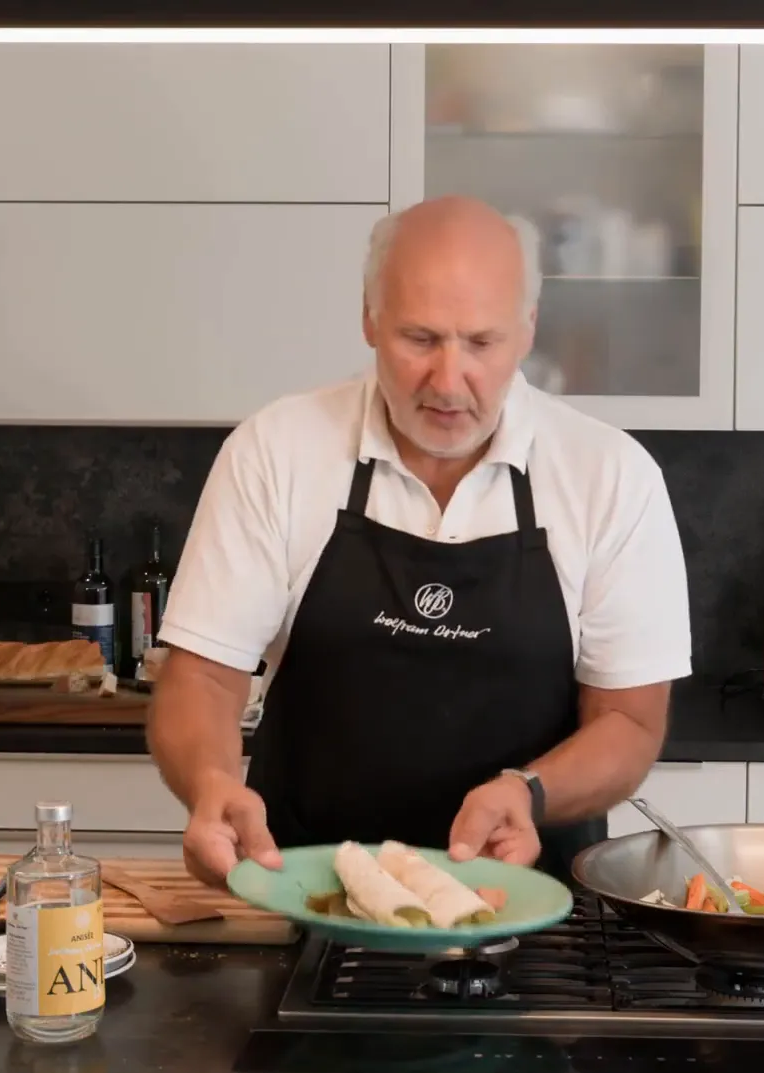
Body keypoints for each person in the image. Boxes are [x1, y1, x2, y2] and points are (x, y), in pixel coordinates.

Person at [146, 195, 691, 888]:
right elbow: (204, 676)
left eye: (481, 343)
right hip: (306, 896)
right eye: (421, 339)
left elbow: (630, 721)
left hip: (532, 915)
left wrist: (528, 792)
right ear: (370, 319)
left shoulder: (610, 476)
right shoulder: (277, 450)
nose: (448, 380)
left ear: (528, 329)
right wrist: (211, 784)